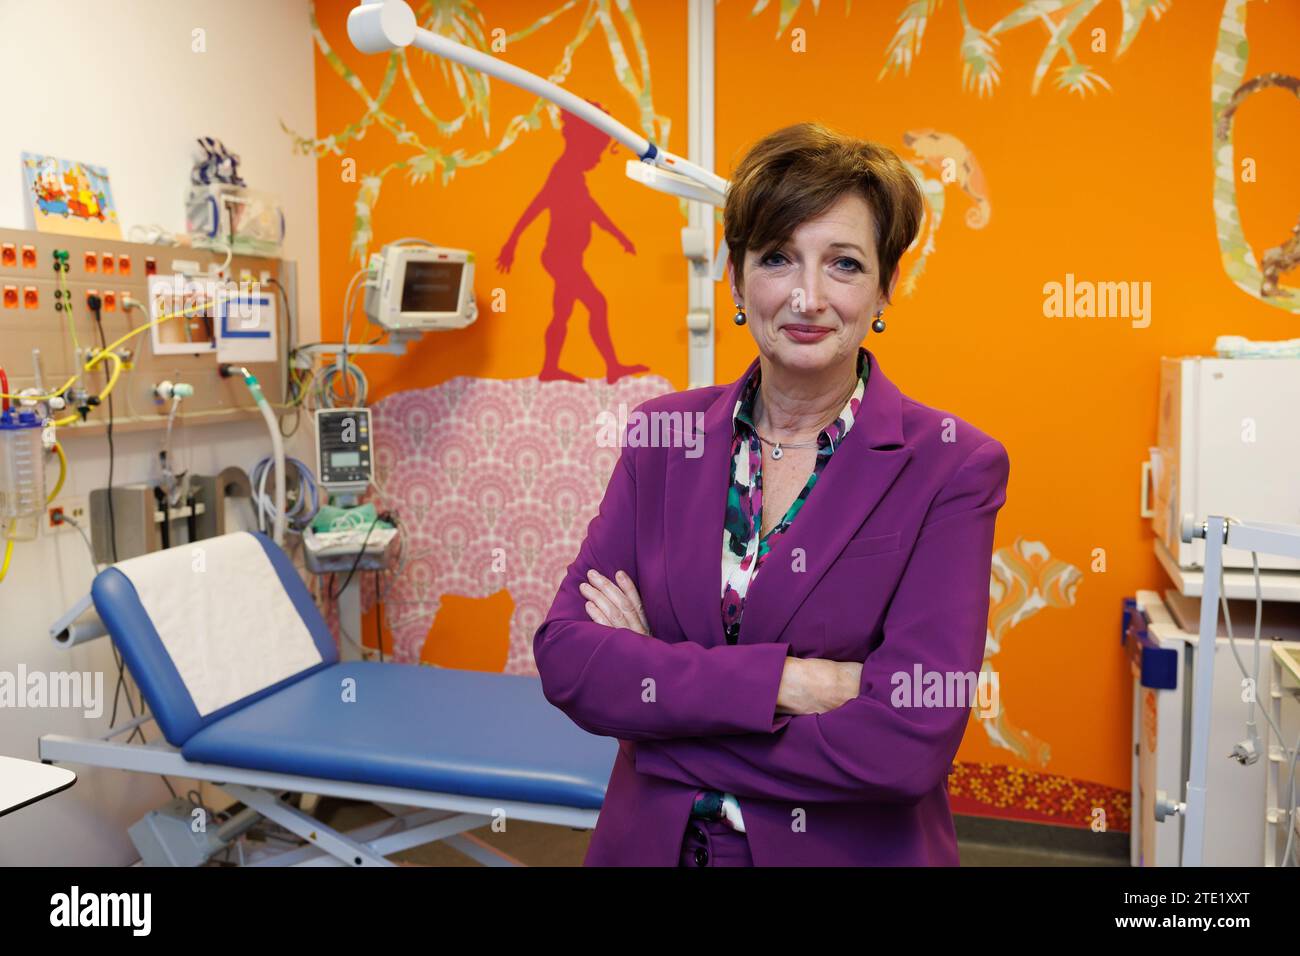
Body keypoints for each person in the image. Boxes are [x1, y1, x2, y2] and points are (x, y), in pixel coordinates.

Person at [533, 122, 1011, 866]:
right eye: (778, 258)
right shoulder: (663, 437)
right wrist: (794, 682)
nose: (807, 296)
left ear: (886, 287)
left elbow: (906, 745)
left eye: (844, 264)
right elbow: (570, 660)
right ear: (735, 279)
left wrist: (662, 718)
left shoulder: (952, 467)